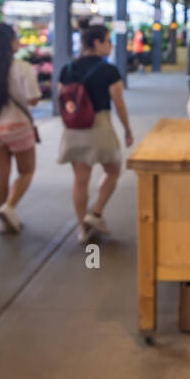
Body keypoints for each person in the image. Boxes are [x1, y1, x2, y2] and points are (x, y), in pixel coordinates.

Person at [57, 23, 132, 243]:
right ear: (97, 43)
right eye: (108, 40)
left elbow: (62, 100)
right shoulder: (109, 70)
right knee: (113, 170)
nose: (111, 45)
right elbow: (119, 104)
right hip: (99, 125)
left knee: (80, 179)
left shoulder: (68, 69)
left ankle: (82, 229)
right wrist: (127, 129)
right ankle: (96, 212)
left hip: (74, 128)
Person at [0, 22, 41, 234]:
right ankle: (9, 208)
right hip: (18, 126)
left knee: (1, 173)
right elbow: (33, 99)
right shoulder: (22, 68)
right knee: (26, 171)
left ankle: (4, 219)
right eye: (16, 38)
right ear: (9, 43)